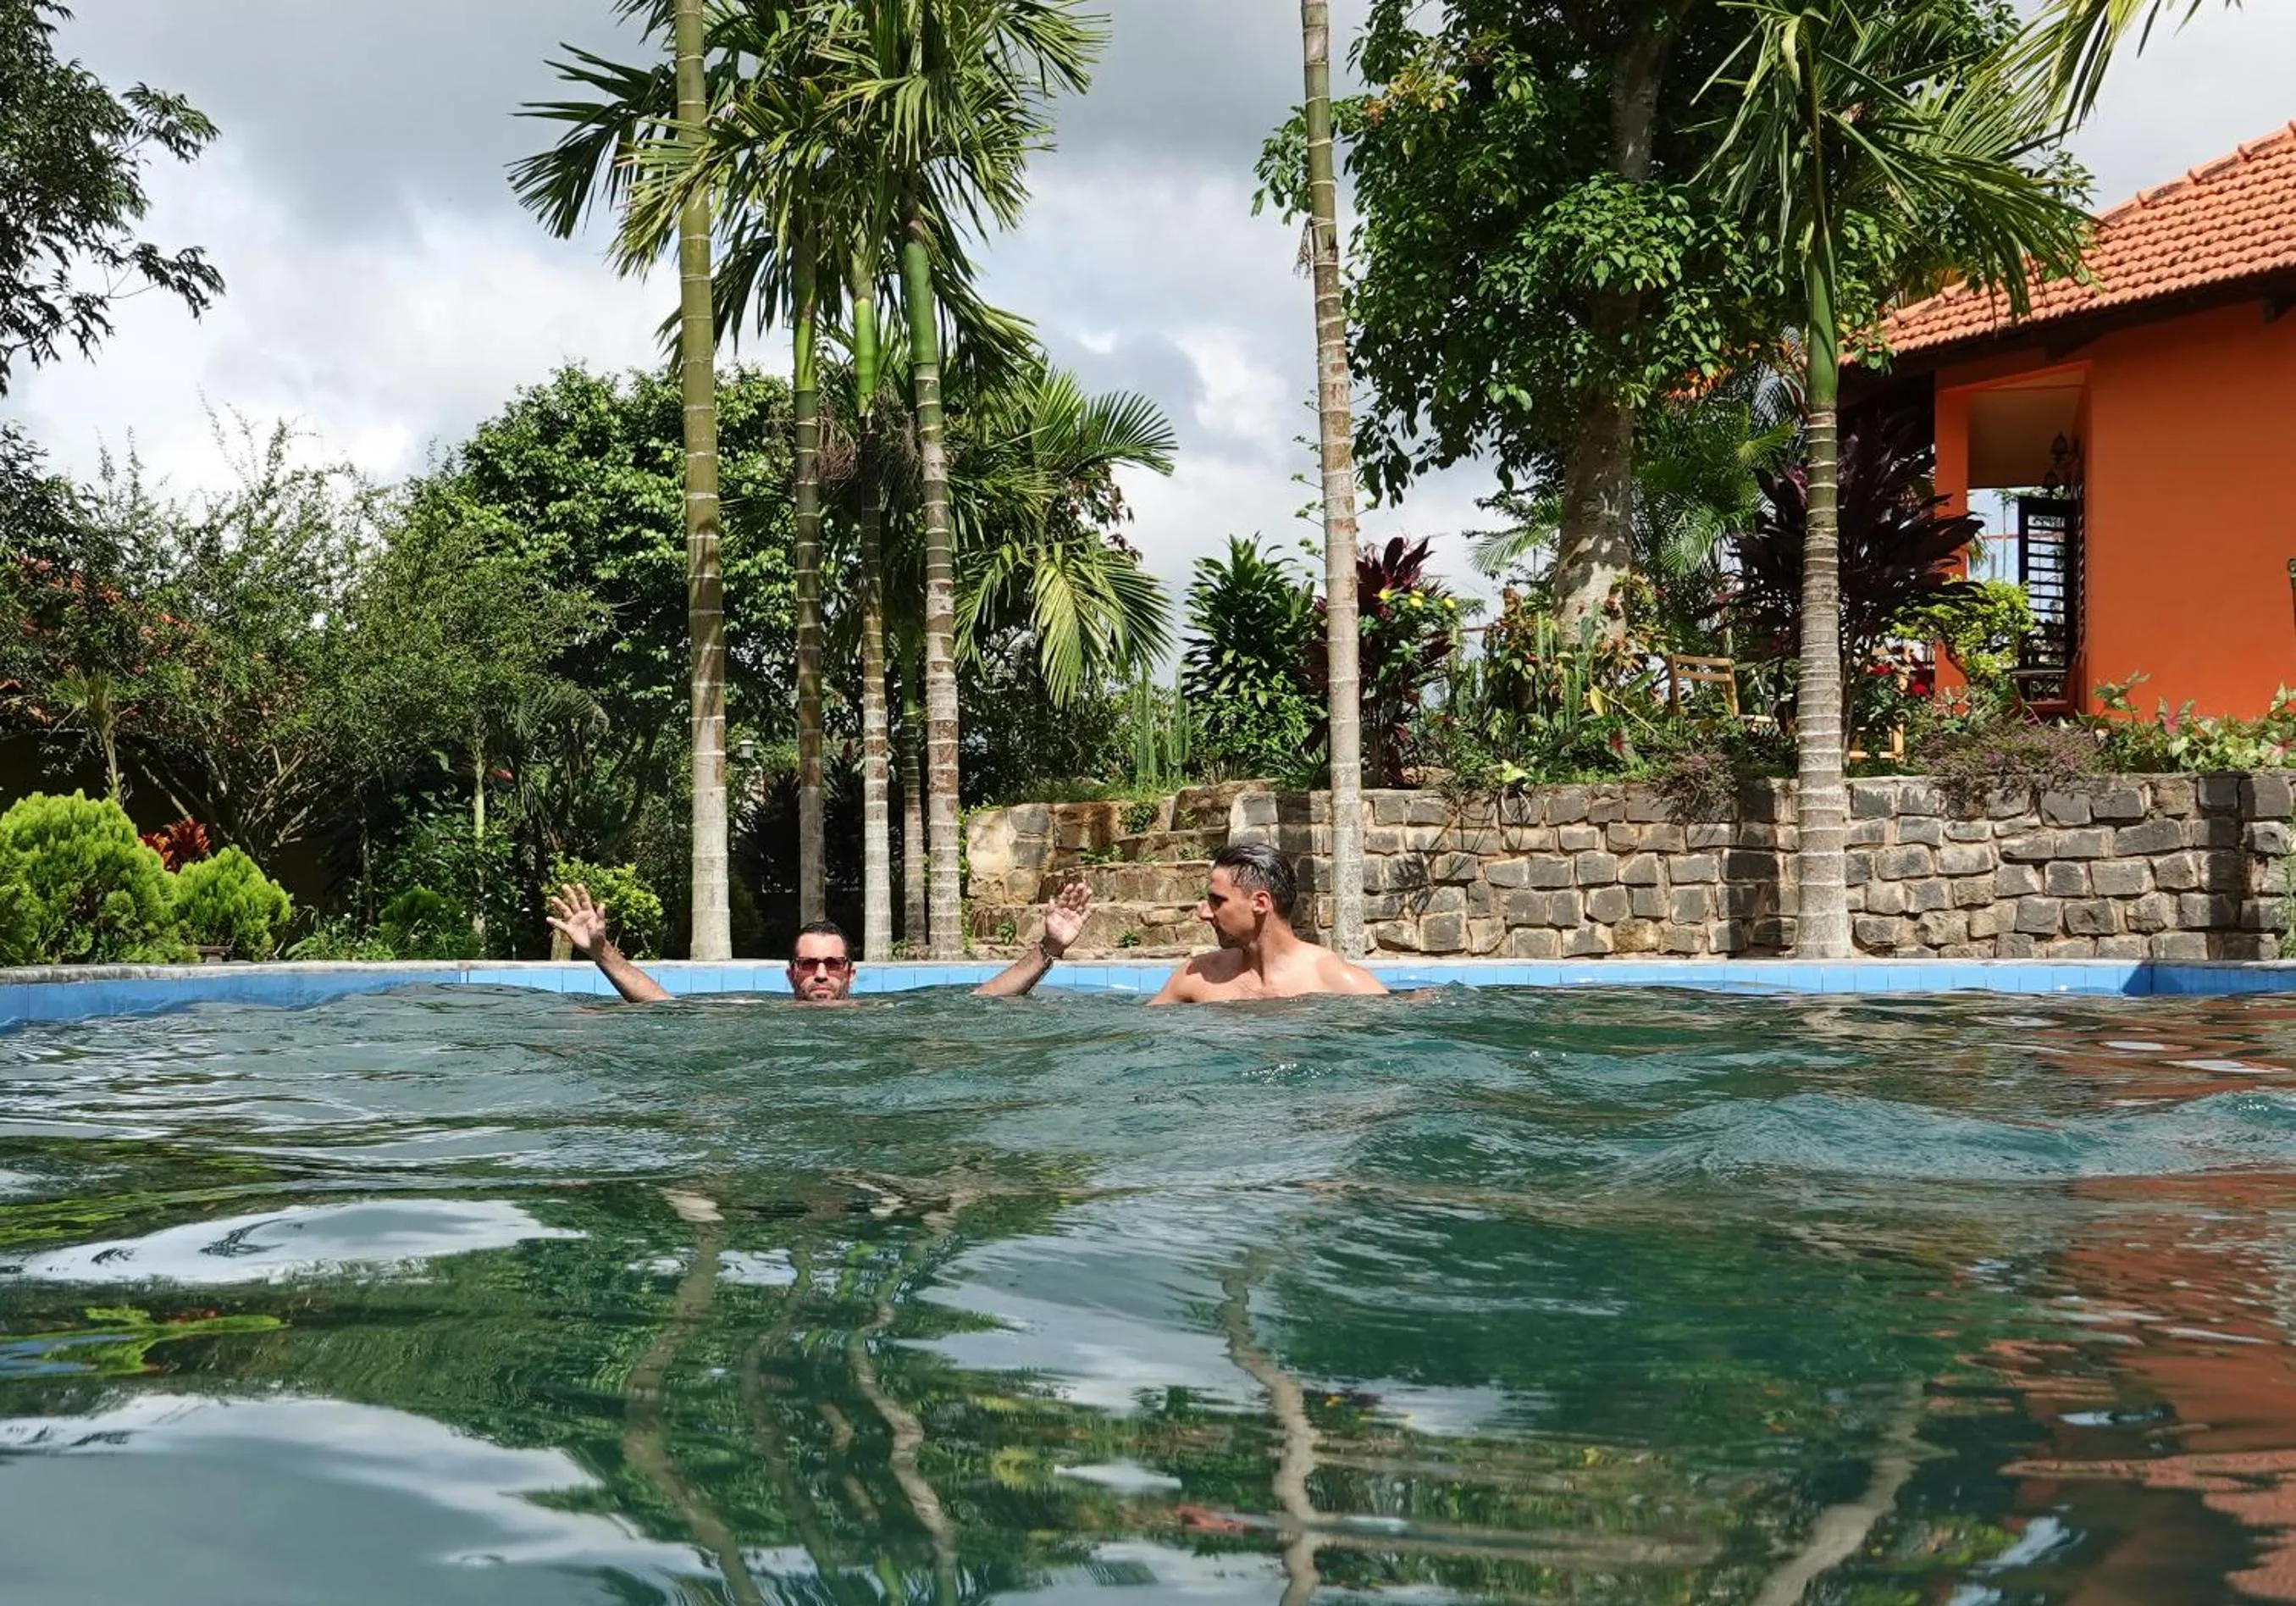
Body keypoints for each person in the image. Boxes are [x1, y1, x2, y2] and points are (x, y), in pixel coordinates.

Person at [545, 879, 1095, 1005]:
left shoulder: (884, 1015)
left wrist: (1049, 949)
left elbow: (984, 999)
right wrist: (600, 952)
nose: (821, 974)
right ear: (790, 974)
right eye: (809, 965)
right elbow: (665, 1008)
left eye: (833, 964)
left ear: (851, 972)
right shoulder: (758, 1015)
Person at [1149, 842, 1387, 1004]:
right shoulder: (1195, 977)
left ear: (1261, 903)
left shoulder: (1338, 981)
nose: (1203, 913)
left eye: (1217, 901)